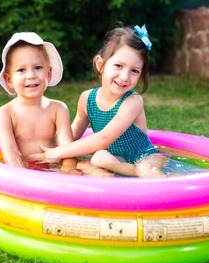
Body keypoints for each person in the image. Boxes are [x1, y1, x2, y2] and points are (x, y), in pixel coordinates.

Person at [27, 24, 167, 178]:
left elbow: (103, 139)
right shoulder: (87, 99)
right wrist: (48, 147)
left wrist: (57, 152)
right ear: (100, 65)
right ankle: (129, 173)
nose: (124, 77)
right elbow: (70, 136)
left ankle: (169, 191)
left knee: (145, 169)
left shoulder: (132, 102)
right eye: (118, 66)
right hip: (115, 161)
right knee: (98, 158)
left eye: (134, 71)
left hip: (146, 158)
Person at [0, 32, 79, 174]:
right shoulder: (5, 114)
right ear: (9, 80)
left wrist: (69, 173)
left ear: (49, 73)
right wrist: (22, 178)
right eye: (21, 70)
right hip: (25, 172)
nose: (31, 75)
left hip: (54, 171)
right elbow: (10, 152)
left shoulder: (58, 109)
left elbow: (67, 149)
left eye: (38, 68)